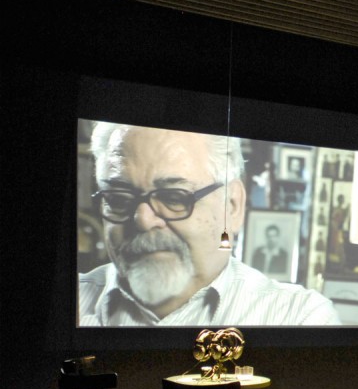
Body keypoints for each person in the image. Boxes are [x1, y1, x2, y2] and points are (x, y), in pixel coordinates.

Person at [78, 123, 339, 326]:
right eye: (118, 198)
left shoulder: (296, 317)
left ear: (232, 206)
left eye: (173, 197)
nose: (143, 219)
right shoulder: (71, 304)